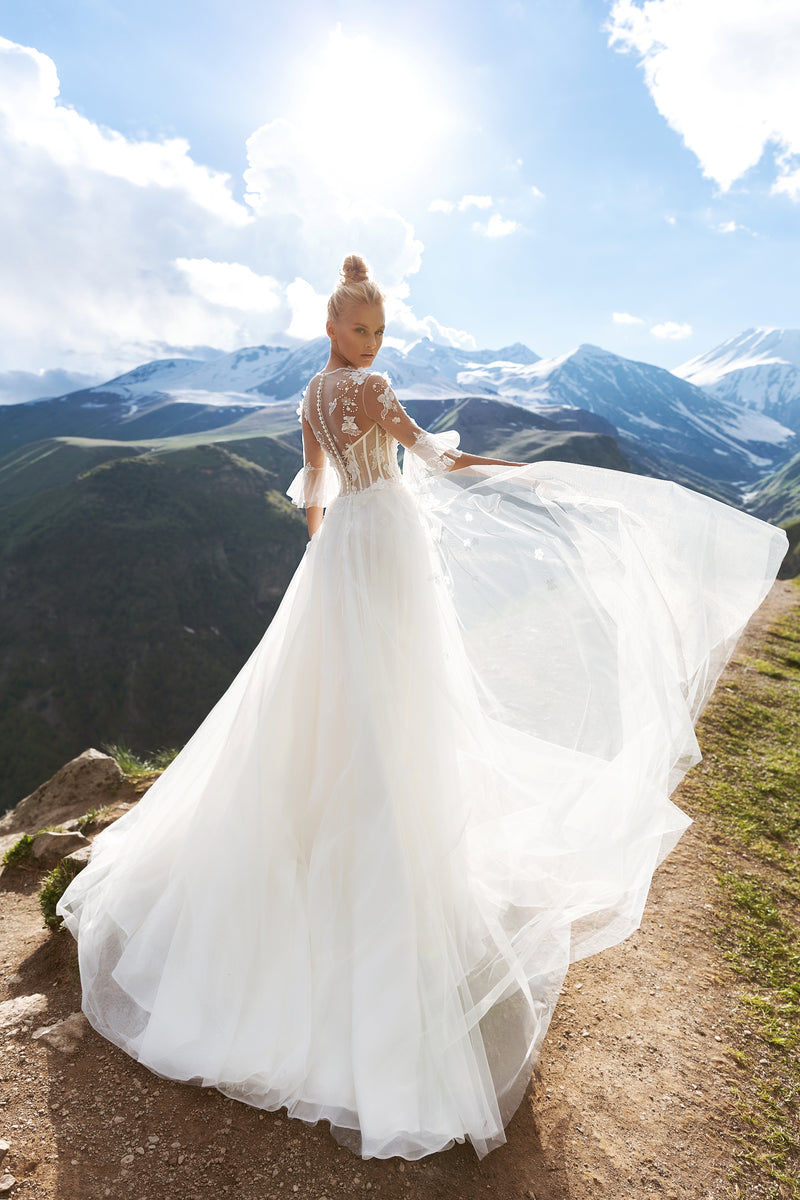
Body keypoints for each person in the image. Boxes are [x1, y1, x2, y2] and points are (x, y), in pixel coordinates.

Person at [56, 254, 788, 1163]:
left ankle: (328, 854)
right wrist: (514, 478)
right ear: (334, 326)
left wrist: (321, 568)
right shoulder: (371, 390)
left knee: (330, 708)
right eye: (361, 329)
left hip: (344, 559)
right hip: (387, 547)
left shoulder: (313, 399)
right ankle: (394, 870)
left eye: (379, 332)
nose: (371, 343)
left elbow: (316, 493)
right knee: (400, 702)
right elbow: (433, 458)